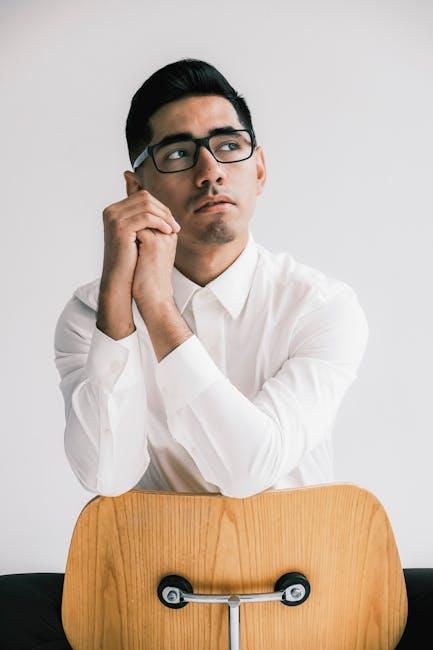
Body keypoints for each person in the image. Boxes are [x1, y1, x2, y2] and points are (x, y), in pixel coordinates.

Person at [0, 58, 430, 649]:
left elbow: (247, 470)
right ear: (137, 189)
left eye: (228, 147)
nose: (209, 171)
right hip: (150, 604)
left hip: (307, 600)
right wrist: (121, 311)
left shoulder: (321, 307)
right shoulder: (91, 314)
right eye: (178, 153)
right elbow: (106, 474)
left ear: (259, 169)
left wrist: (159, 309)